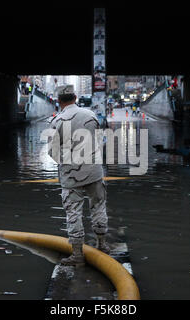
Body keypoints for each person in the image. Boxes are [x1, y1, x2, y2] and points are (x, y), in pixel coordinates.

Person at [48, 84, 110, 267]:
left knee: (73, 211)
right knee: (98, 205)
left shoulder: (57, 121)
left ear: (59, 101)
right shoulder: (91, 115)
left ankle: (77, 255)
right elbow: (100, 141)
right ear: (75, 97)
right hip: (94, 170)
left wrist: (68, 162)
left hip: (70, 174)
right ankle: (102, 245)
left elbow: (53, 152)